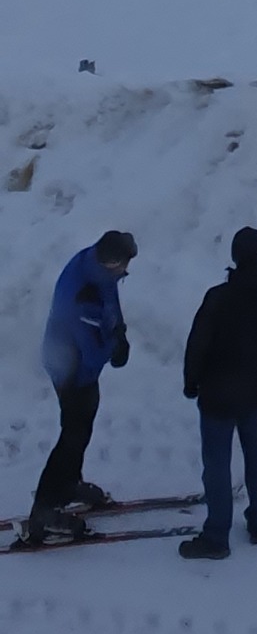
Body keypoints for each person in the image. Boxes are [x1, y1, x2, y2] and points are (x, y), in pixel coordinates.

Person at [179, 228, 257, 560]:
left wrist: (191, 381)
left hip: (217, 392)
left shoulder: (219, 296)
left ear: (234, 255)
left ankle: (217, 535)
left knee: (217, 462)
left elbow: (197, 343)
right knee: (256, 454)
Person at [18, 230, 137, 544]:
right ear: (111, 261)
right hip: (71, 372)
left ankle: (69, 483)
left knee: (80, 430)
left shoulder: (95, 263)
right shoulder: (83, 296)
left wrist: (119, 329)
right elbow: (92, 350)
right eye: (124, 266)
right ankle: (43, 509)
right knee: (72, 436)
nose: (125, 273)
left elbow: (110, 299)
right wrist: (115, 348)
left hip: (76, 362)